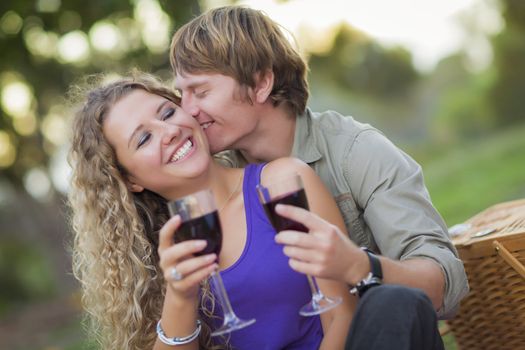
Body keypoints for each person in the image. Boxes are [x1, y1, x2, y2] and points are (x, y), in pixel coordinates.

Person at [170, 5, 469, 349]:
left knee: (392, 301)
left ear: (261, 83)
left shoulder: (356, 152)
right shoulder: (215, 177)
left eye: (201, 92)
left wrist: (360, 265)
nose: (187, 109)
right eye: (182, 93)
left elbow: (447, 284)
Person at [67, 72, 354, 350]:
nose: (169, 132)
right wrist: (180, 296)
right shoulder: (150, 258)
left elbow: (343, 313)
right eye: (144, 139)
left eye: (167, 113)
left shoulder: (279, 184)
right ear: (129, 181)